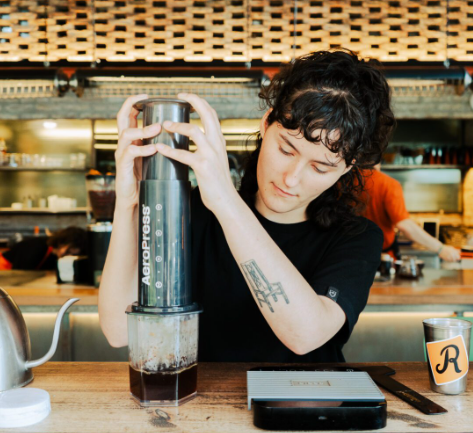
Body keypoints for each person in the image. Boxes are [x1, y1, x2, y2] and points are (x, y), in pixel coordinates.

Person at [99, 49, 396, 363]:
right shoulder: (194, 213)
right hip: (203, 395)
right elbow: (119, 330)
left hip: (308, 396)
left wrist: (226, 201)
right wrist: (130, 203)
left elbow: (305, 335)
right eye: (286, 150)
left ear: (347, 167)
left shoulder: (356, 238)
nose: (292, 178)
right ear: (266, 124)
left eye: (320, 168)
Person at [361, 166, 461, 262]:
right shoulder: (387, 183)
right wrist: (441, 248)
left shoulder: (352, 181)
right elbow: (404, 225)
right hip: (381, 259)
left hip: (354, 257)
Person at [0, 226, 87, 270]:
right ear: (61, 242)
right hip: (4, 271)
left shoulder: (55, 256)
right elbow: (19, 273)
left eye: (73, 255)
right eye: (68, 251)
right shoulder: (36, 247)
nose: (68, 257)